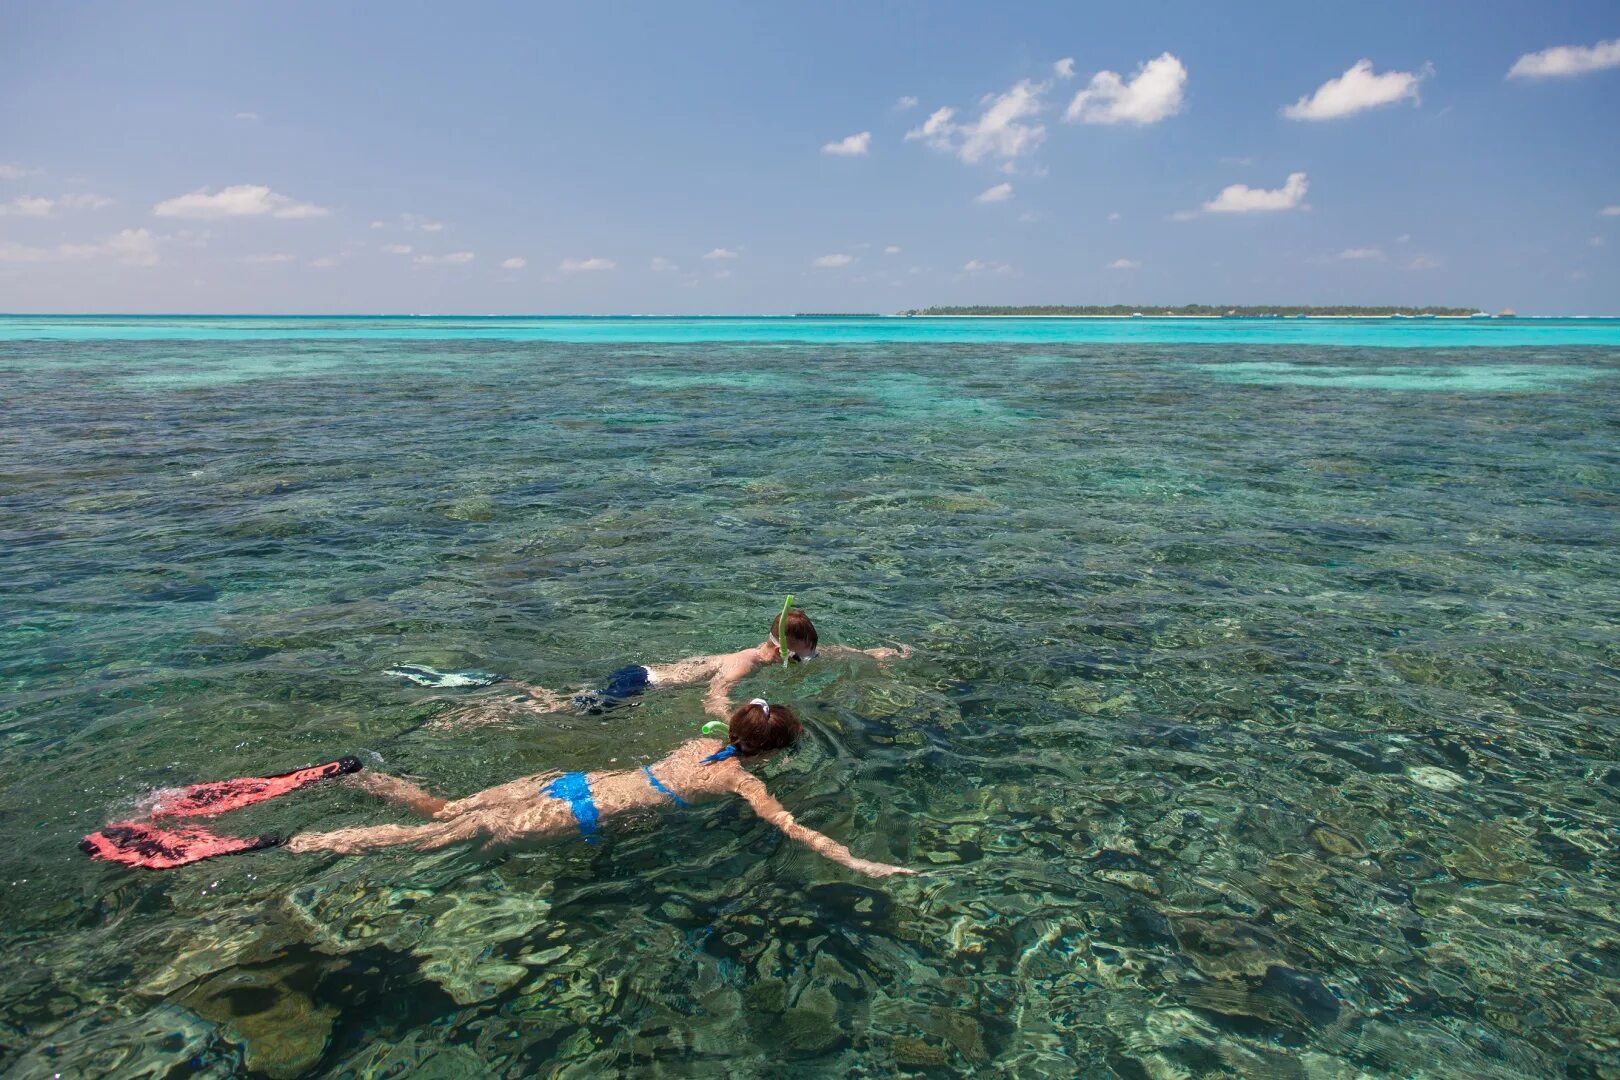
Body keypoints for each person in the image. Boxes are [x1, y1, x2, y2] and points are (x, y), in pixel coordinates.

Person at [284, 699, 915, 878]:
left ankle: (362, 776)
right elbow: (791, 828)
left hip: (571, 783)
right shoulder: (735, 778)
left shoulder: (702, 743)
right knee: (434, 839)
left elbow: (718, 696)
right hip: (581, 812)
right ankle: (302, 843)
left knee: (448, 809)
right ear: (772, 751)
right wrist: (856, 860)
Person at [502, 606, 912, 719]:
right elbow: (716, 694)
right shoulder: (746, 664)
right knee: (566, 713)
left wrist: (873, 654)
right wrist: (727, 721)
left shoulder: (773, 652)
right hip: (640, 684)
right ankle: (509, 699)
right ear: (784, 648)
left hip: (644, 675)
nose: (807, 661)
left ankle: (528, 692)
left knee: (572, 704)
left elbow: (830, 653)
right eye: (802, 656)